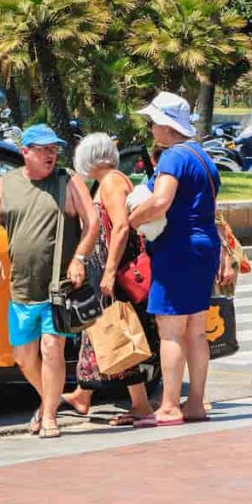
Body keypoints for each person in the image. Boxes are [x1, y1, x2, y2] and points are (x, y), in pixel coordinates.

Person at [0, 124, 99, 439]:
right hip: (21, 287)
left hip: (56, 287)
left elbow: (93, 223)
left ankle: (49, 416)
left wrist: (79, 259)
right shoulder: (6, 184)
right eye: (44, 149)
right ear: (26, 152)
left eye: (54, 149)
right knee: (23, 357)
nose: (51, 155)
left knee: (52, 348)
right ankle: (53, 398)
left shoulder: (67, 181)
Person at [128, 92, 230, 428]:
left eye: (154, 121)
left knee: (171, 330)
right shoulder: (203, 157)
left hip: (177, 249)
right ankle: (196, 401)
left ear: (167, 126)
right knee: (196, 331)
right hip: (204, 247)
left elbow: (161, 201)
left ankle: (169, 406)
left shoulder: (172, 157)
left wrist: (133, 219)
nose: (151, 127)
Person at [61, 133, 158, 426]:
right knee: (97, 330)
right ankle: (83, 394)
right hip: (104, 268)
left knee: (114, 331)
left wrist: (110, 271)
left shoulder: (112, 182)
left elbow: (120, 229)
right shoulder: (110, 181)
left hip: (111, 270)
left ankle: (140, 404)